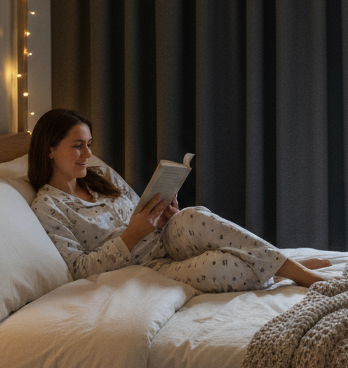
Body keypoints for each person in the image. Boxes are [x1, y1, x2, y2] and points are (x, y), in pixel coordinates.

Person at [28, 108, 331, 292]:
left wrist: (162, 216)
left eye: (89, 144)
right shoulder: (48, 206)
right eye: (78, 146)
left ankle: (299, 272)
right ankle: (285, 268)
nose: (88, 154)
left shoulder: (100, 178)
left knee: (192, 215)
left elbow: (139, 211)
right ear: (50, 149)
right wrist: (132, 236)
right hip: (144, 266)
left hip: (164, 238)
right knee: (220, 266)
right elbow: (78, 270)